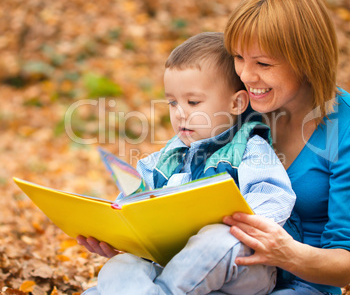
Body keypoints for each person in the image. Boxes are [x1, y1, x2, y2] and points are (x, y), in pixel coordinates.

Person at [79, 32, 296, 294]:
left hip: (242, 266)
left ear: (236, 102)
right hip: (173, 264)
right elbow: (130, 205)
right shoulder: (162, 161)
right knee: (120, 266)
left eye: (193, 102)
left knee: (216, 239)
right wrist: (115, 230)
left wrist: (236, 224)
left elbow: (275, 196)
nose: (180, 113)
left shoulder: (250, 148)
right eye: (172, 102)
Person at [222, 0, 350, 295]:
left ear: (306, 59)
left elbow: (345, 265)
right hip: (224, 272)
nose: (245, 75)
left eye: (263, 63)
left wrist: (286, 253)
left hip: (302, 286)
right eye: (238, 57)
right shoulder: (240, 107)